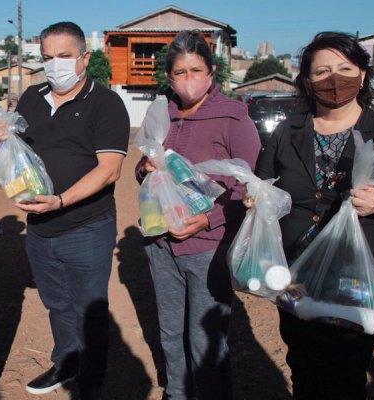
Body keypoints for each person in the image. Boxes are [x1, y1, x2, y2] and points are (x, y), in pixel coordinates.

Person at [255, 32, 374, 399]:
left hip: (362, 274)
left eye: (344, 69)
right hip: (297, 268)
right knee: (303, 362)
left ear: (362, 75)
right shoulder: (289, 131)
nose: (334, 80)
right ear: (306, 81)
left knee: (347, 371)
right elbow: (264, 184)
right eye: (321, 71)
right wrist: (255, 196)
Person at [0, 21, 130, 398]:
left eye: (65, 56)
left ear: (84, 57)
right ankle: (66, 362)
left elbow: (110, 169)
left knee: (89, 307)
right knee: (57, 304)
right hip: (39, 227)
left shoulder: (106, 103)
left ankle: (92, 378)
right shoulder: (32, 99)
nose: (56, 65)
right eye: (48, 58)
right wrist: (0, 142)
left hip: (87, 227)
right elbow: (12, 158)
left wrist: (62, 200)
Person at [134, 31, 261, 400]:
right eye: (179, 72)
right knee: (171, 332)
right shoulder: (161, 113)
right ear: (169, 77)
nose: (188, 80)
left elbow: (249, 188)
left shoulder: (233, 118)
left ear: (211, 71)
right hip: (160, 242)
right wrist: (145, 168)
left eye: (196, 70)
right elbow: (142, 173)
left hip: (209, 248)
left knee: (205, 338)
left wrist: (207, 220)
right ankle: (176, 394)